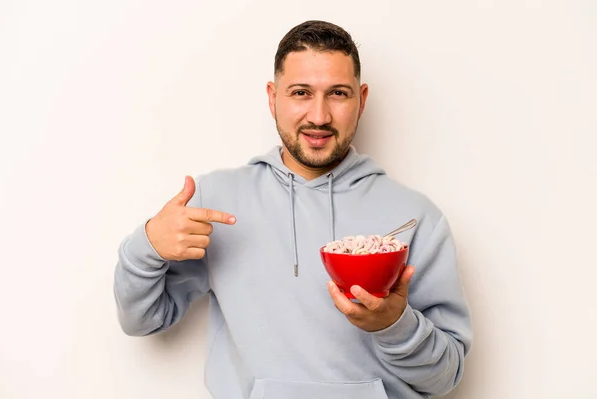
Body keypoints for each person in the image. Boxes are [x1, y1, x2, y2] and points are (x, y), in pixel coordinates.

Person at [113, 20, 473, 399]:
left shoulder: (415, 218)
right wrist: (147, 245)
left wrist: (394, 325)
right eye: (301, 93)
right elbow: (141, 321)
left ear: (361, 100)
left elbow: (445, 378)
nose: (319, 116)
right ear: (272, 98)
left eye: (338, 94)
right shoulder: (216, 200)